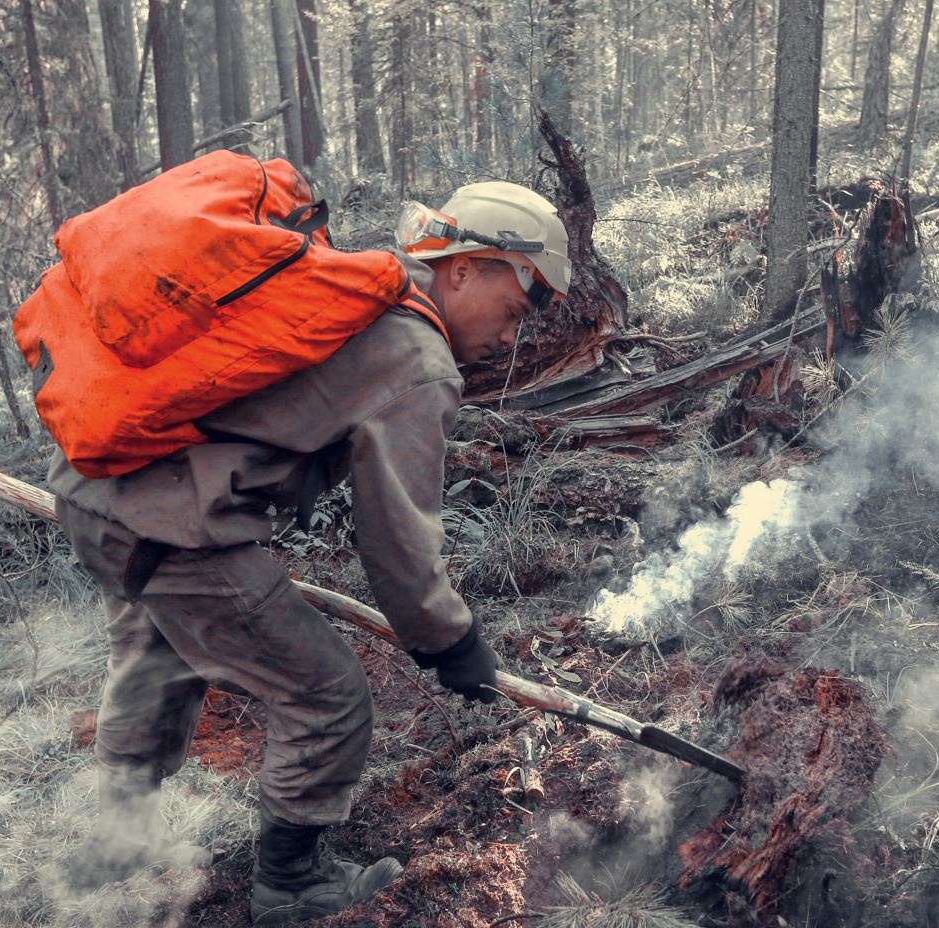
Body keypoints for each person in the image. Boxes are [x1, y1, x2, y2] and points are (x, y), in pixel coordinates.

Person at [47, 180, 571, 926]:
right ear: (465, 267)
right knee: (324, 696)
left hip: (97, 496)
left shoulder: (351, 291)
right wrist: (449, 641)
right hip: (174, 525)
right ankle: (292, 888)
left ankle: (117, 845)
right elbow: (397, 534)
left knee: (157, 659)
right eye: (514, 311)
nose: (510, 338)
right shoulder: (417, 357)